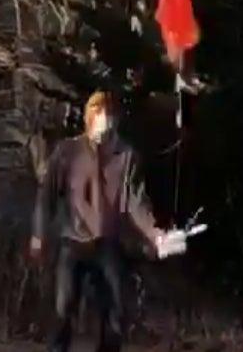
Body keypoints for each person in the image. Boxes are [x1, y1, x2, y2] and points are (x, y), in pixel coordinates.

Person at [31, 90, 166, 352]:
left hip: (108, 242)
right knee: (64, 306)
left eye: (108, 113)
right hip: (73, 240)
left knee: (115, 309)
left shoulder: (126, 156)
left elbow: (135, 202)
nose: (104, 119)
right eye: (98, 113)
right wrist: (38, 234)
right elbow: (46, 196)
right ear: (89, 117)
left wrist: (154, 233)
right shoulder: (67, 152)